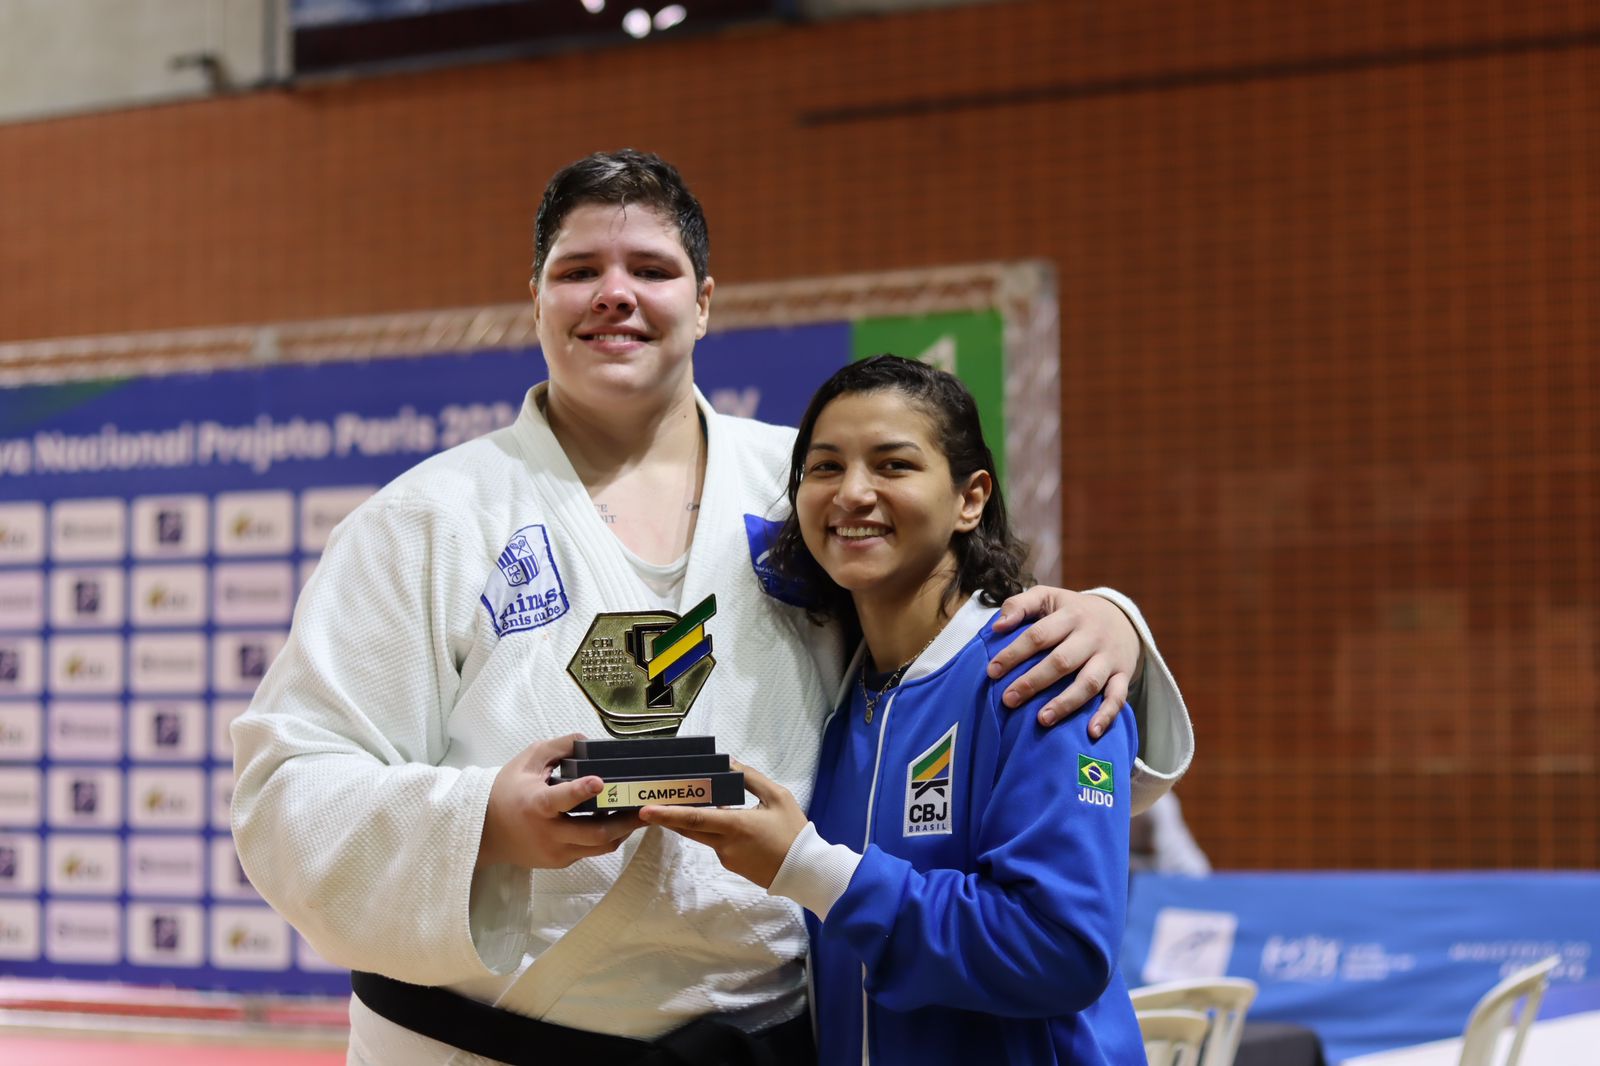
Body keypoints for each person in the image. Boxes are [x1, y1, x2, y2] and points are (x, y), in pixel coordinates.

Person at [230, 150, 1193, 1066]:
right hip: (477, 1045)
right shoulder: (425, 520)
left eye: (651, 269)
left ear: (702, 302)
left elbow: (966, 671)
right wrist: (485, 820)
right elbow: (286, 791)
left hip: (767, 1038)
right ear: (536, 300)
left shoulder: (808, 487)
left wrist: (1111, 619)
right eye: (579, 271)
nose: (615, 293)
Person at [644, 354, 1145, 1064]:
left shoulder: (1048, 673)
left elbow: (1059, 948)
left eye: (893, 465)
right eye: (825, 467)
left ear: (970, 499)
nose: (853, 493)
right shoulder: (837, 689)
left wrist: (811, 867)